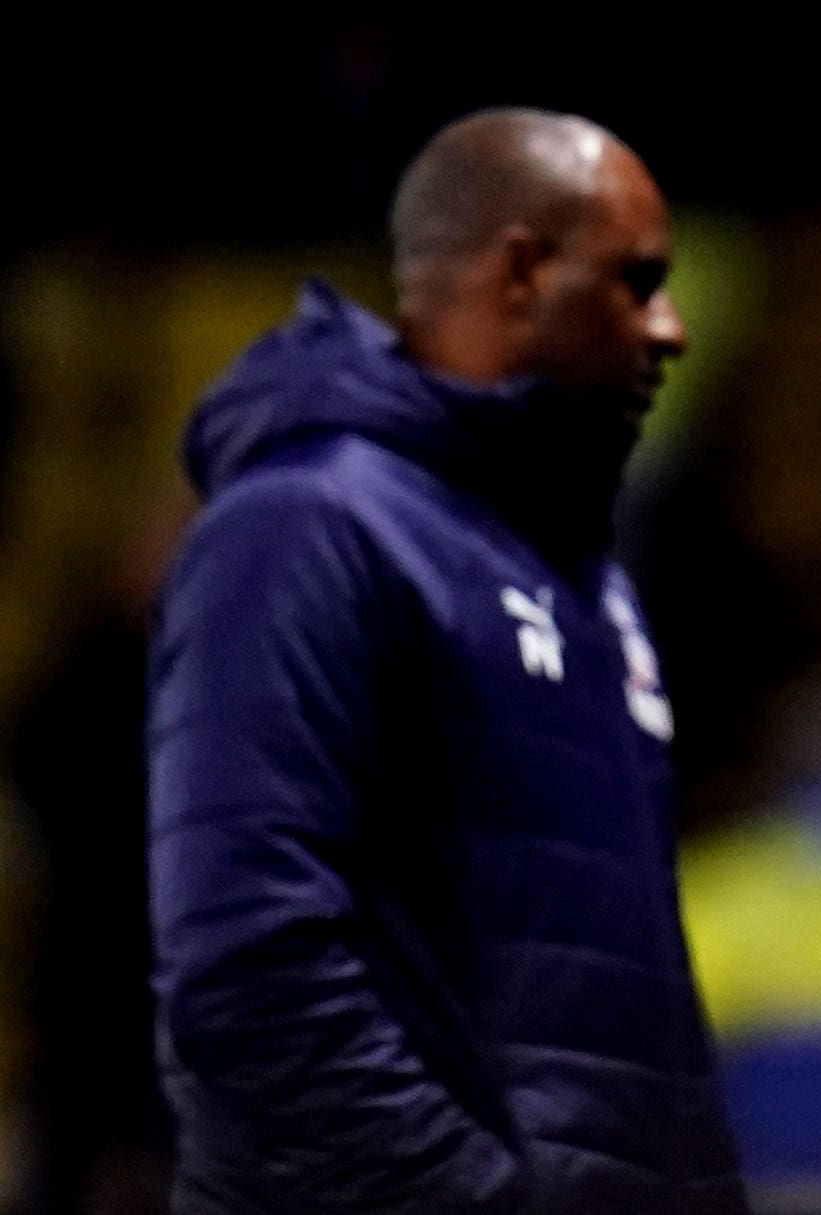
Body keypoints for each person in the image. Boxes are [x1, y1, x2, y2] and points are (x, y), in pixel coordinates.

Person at [146, 108, 746, 1213]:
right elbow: (248, 975)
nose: (670, 329)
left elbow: (614, 1011)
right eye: (636, 281)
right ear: (520, 272)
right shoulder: (301, 528)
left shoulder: (581, 574)